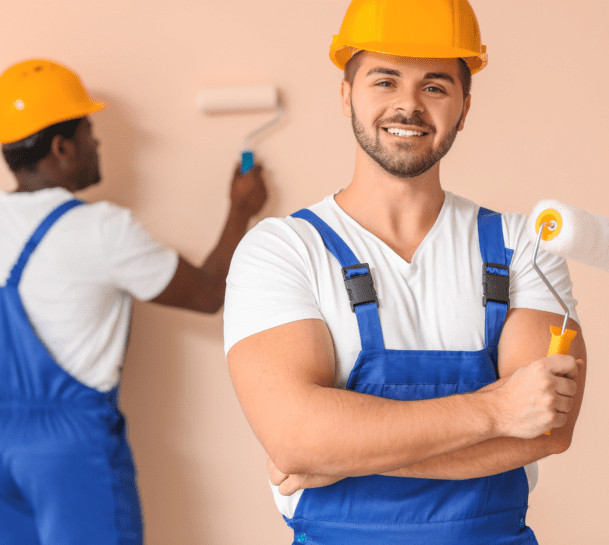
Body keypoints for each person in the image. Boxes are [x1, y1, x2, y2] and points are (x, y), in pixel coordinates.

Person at [223, 1, 586, 543]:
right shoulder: (282, 250)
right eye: (384, 81)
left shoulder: (524, 245)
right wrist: (497, 409)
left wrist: (343, 457)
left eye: (435, 86)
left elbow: (548, 427)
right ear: (346, 94)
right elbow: (295, 438)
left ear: (465, 106)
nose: (408, 105)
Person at [0, 59, 266, 545]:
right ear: (62, 146)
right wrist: (241, 210)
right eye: (91, 131)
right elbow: (209, 293)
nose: (98, 144)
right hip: (71, 451)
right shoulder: (101, 230)